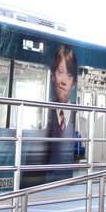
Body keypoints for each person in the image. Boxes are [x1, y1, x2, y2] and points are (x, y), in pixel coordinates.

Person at [45, 44, 78, 180]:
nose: (63, 81)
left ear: (74, 83)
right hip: (46, 183)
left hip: (70, 181)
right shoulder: (44, 114)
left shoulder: (80, 118)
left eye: (69, 75)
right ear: (53, 76)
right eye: (60, 72)